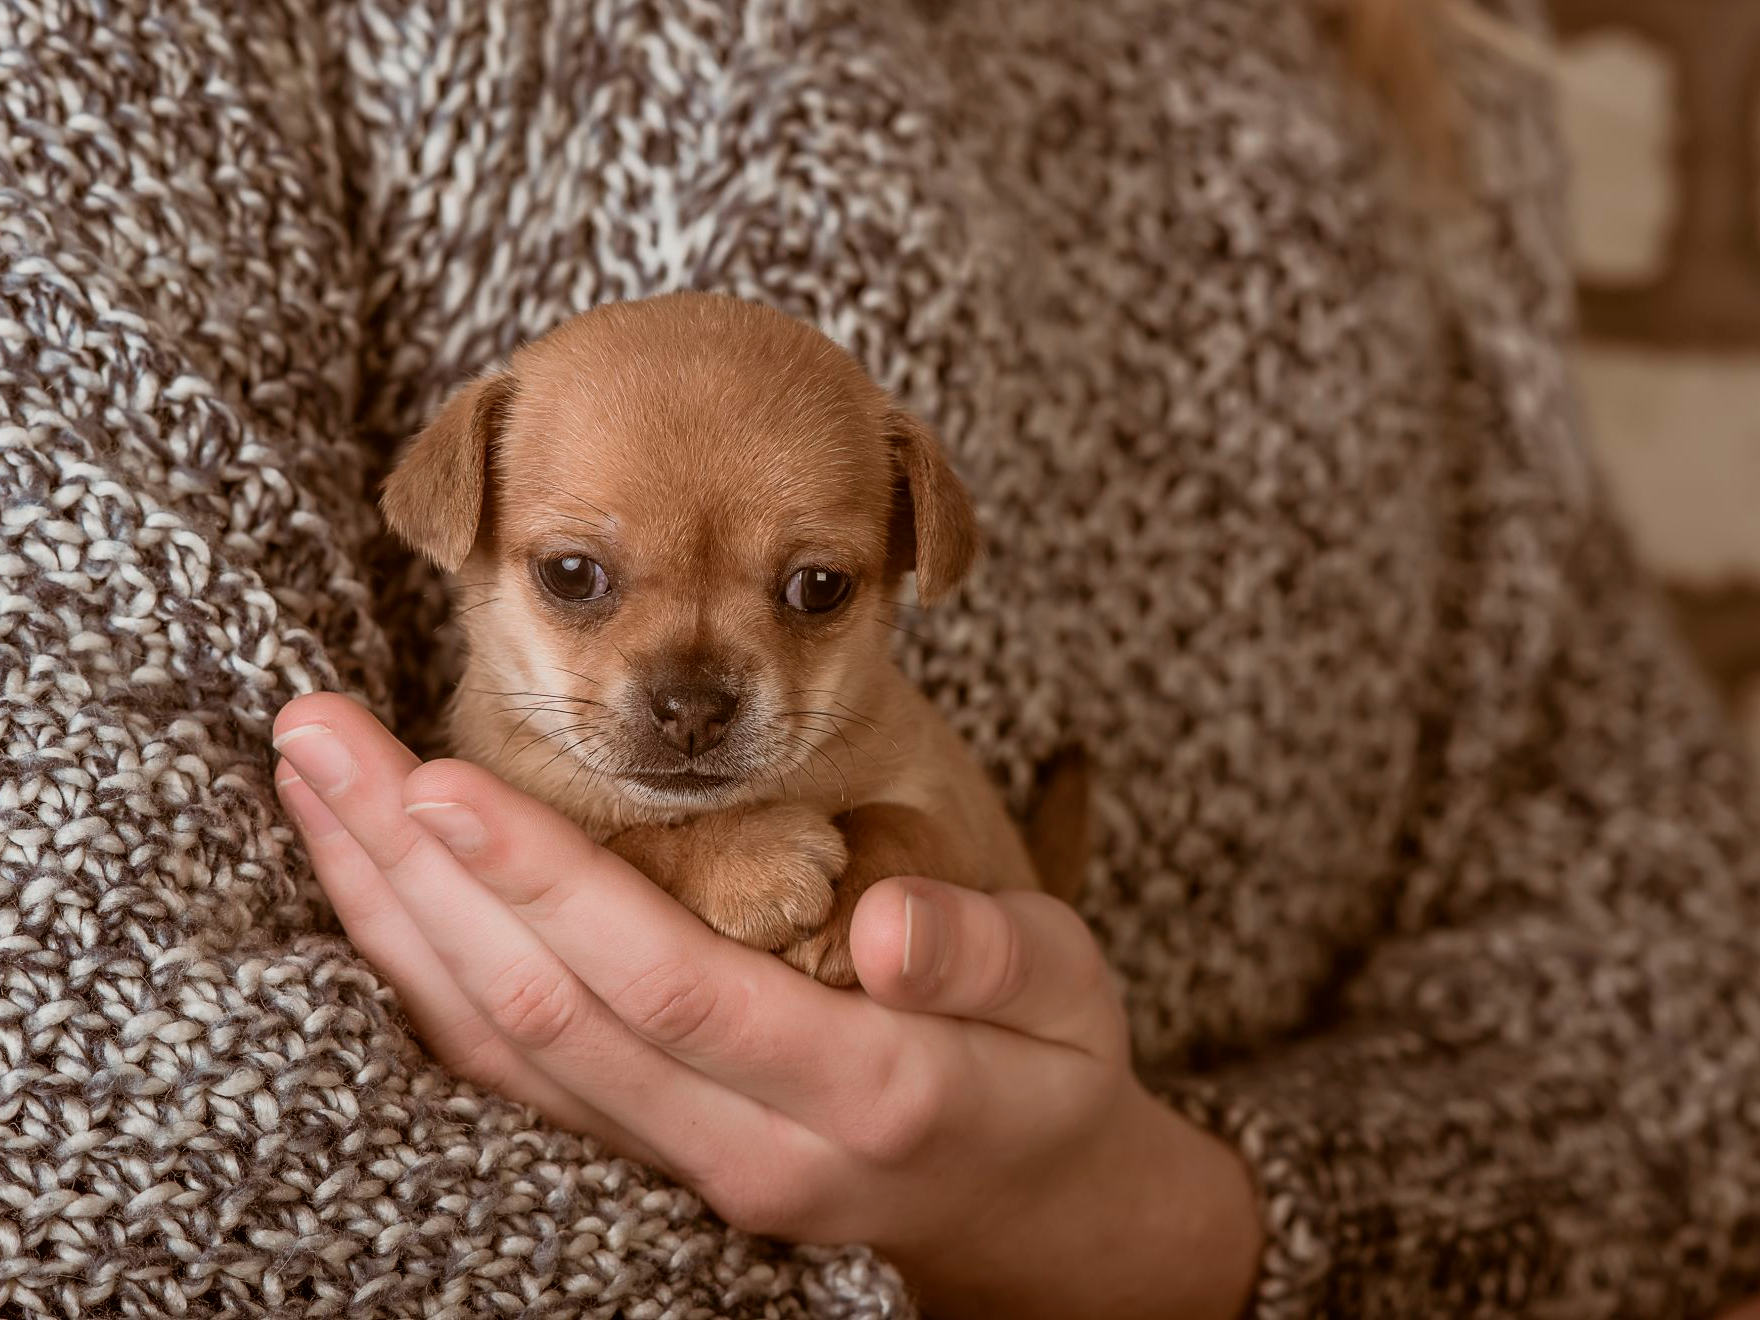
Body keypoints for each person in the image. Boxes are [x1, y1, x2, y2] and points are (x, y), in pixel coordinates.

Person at [7, 0, 1760, 1316]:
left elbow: (1689, 1004)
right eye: (578, 581)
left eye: (816, 589)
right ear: (469, 513)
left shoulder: (1424, 74)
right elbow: (92, 1095)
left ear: (914, 547)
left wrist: (1178, 1228)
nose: (690, 685)